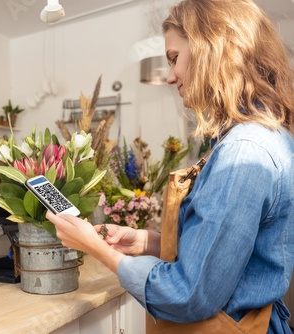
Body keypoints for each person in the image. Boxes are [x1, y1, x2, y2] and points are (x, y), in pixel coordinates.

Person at [46, 0, 294, 332]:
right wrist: (142, 241)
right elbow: (225, 250)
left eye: (174, 58)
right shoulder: (263, 136)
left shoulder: (244, 152)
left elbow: (189, 293)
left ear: (213, 49)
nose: (170, 76)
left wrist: (96, 248)